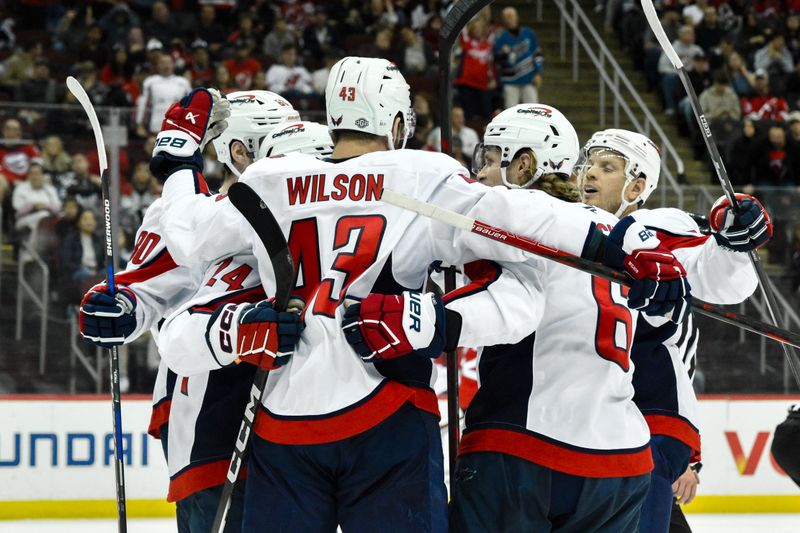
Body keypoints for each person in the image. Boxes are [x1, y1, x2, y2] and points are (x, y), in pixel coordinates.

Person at [154, 57, 689, 532]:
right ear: (393, 122)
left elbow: (185, 233)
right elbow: (519, 215)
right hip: (390, 411)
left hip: (286, 415)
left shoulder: (269, 179)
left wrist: (177, 164)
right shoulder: (422, 173)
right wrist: (615, 244)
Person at [417, 107, 685, 532]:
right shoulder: (618, 230)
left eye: (489, 160)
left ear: (523, 163)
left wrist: (428, 321)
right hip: (620, 459)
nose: (481, 174)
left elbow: (470, 220)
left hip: (523, 448)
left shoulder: (517, 219)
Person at [79, 89, 303, 533]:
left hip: (301, 412)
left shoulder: (309, 201)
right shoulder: (184, 211)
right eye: (279, 140)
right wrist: (120, 307)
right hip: (211, 412)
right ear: (239, 150)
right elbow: (145, 286)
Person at [576, 128, 768, 533]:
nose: (589, 174)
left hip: (649, 424)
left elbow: (717, 275)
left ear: (638, 185)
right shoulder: (565, 226)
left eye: (606, 167)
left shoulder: (656, 228)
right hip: (579, 425)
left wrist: (733, 241)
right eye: (588, 164)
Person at [494, 7, 543, 106]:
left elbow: (537, 54)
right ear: (503, 20)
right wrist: (505, 56)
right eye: (506, 17)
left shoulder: (528, 33)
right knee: (510, 112)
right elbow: (497, 59)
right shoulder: (500, 38)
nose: (509, 19)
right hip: (510, 81)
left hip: (529, 79)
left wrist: (538, 72)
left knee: (533, 110)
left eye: (511, 16)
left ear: (517, 17)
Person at [136, 53, 192, 137]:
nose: (166, 66)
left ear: (173, 65)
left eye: (168, 63)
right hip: (156, 126)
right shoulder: (150, 82)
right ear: (157, 66)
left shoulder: (183, 82)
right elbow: (142, 103)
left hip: (178, 127)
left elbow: (191, 104)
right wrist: (139, 124)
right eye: (163, 63)